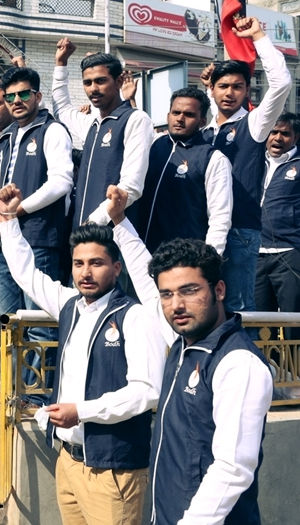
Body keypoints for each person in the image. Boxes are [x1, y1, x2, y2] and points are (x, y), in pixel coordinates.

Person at [0, 183, 165, 525]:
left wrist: (82, 412)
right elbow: (27, 275)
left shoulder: (135, 315)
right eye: (78, 264)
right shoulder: (70, 306)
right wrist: (9, 218)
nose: (85, 273)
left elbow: (147, 392)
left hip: (113, 470)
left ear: (117, 268)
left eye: (97, 263)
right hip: (69, 462)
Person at [106, 185, 272, 525]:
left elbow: (233, 468)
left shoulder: (237, 363)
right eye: (167, 294)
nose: (176, 304)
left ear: (219, 290)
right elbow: (142, 271)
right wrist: (120, 222)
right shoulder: (183, 341)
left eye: (190, 290)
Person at [0, 66, 74, 412]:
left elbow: (61, 181)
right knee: (10, 320)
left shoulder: (51, 131)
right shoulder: (8, 137)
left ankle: (36, 396)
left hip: (38, 238)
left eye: (23, 94)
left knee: (37, 322)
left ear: (37, 96)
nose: (16, 101)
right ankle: (12, 388)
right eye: (11, 97)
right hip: (5, 238)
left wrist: (19, 211)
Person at [200, 16, 292, 317]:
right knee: (207, 308)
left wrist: (258, 36)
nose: (230, 92)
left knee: (240, 308)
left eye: (238, 87)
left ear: (247, 91)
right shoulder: (204, 134)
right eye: (223, 86)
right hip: (204, 230)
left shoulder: (254, 125)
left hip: (240, 230)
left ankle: (248, 364)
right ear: (211, 90)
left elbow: (281, 83)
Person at [51, 37, 154, 229]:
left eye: (100, 81)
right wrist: (61, 63)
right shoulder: (91, 123)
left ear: (119, 81)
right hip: (82, 231)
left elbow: (131, 186)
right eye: (87, 83)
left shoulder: (136, 119)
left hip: (112, 233)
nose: (93, 89)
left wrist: (95, 221)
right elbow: (61, 110)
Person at [135, 87, 233, 256]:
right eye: (176, 112)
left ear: (202, 121)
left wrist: (209, 261)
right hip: (140, 253)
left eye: (189, 115)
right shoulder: (153, 145)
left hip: (182, 260)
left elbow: (220, 217)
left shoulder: (213, 159)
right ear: (168, 116)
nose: (180, 119)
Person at [255, 112, 300, 340]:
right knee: (260, 323)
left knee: (294, 321)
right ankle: (272, 372)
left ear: (296, 137)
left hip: (289, 252)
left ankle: (296, 373)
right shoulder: (254, 160)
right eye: (273, 132)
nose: (278, 138)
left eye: (285, 133)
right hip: (255, 254)